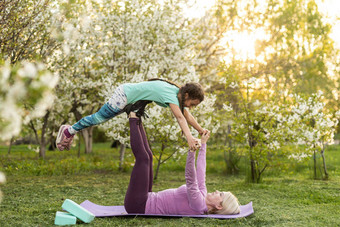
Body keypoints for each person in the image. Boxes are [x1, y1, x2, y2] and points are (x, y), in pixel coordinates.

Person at [124, 112, 240, 215]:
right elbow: (201, 170)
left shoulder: (198, 204)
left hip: (139, 205)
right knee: (148, 156)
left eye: (220, 194)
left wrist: (191, 152)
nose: (217, 191)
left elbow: (191, 179)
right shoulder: (203, 195)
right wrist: (203, 144)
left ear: (219, 206)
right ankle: (138, 117)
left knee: (143, 159)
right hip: (146, 197)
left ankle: (133, 117)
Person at [56, 79, 207, 151]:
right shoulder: (172, 95)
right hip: (124, 96)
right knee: (99, 118)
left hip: (127, 95)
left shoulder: (176, 94)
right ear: (186, 94)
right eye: (192, 103)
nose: (190, 107)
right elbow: (180, 117)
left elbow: (186, 116)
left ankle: (71, 130)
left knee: (98, 119)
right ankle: (69, 131)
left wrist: (200, 130)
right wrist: (189, 137)